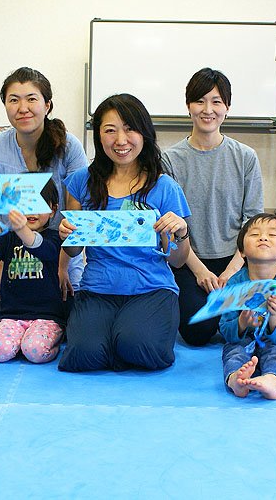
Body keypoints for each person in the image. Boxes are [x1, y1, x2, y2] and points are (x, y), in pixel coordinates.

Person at [57, 93, 191, 372]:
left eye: (130, 128)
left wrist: (181, 233)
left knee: (140, 347)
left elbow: (177, 261)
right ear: (99, 136)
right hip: (97, 288)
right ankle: (114, 339)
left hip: (151, 289)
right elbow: (73, 250)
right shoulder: (80, 182)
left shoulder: (164, 187)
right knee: (82, 356)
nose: (121, 140)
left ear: (144, 133)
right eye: (110, 130)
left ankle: (123, 338)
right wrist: (66, 235)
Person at [0, 67, 88, 334]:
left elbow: (75, 211)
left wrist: (62, 265)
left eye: (31, 98)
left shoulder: (69, 146)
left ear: (47, 105)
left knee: (70, 322)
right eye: (13, 99)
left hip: (57, 248)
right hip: (10, 249)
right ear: (5, 105)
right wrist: (4, 266)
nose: (22, 108)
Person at [163, 68, 264, 346]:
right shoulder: (170, 159)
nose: (208, 110)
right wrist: (199, 271)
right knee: (197, 333)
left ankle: (227, 306)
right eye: (200, 101)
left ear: (227, 108)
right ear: (188, 106)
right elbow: (171, 227)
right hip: (188, 260)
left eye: (217, 101)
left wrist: (232, 271)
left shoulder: (245, 157)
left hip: (237, 260)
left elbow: (254, 221)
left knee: (253, 327)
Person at [0, 179, 65, 363]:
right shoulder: (8, 237)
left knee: (35, 351)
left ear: (53, 210)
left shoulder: (54, 238)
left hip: (46, 316)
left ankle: (55, 339)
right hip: (11, 315)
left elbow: (43, 250)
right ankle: (19, 341)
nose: (31, 211)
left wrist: (21, 229)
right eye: (25, 205)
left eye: (37, 204)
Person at [220, 214, 276, 400]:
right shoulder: (234, 285)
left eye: (272, 235)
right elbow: (225, 330)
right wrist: (241, 323)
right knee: (233, 353)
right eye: (255, 234)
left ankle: (273, 380)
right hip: (244, 339)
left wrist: (274, 317)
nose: (263, 238)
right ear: (242, 252)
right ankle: (235, 380)